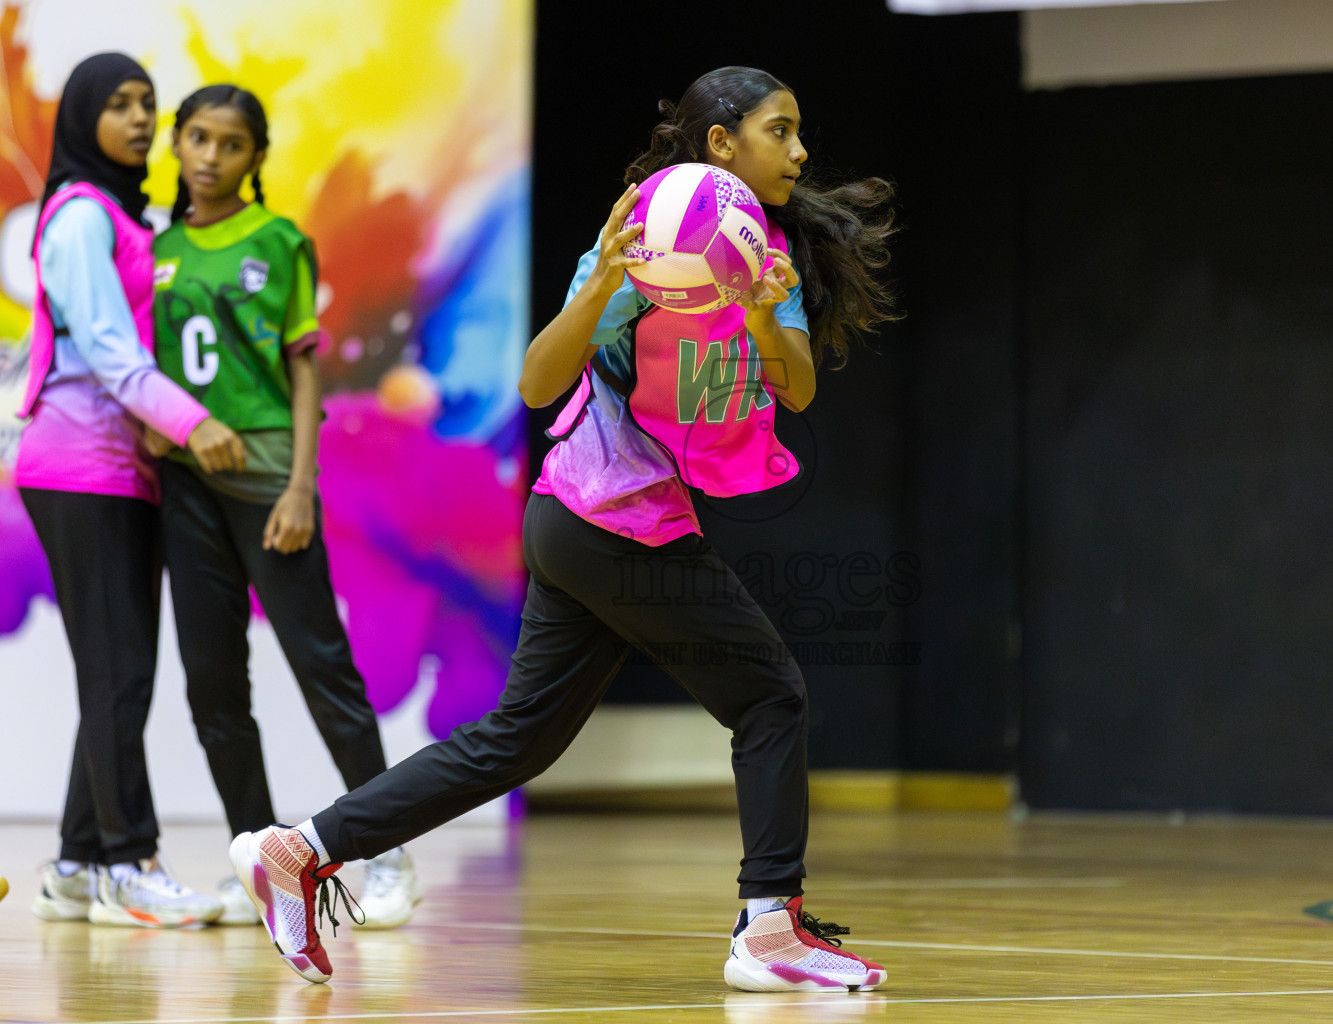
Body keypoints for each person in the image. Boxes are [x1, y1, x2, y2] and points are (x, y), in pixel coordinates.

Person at [230, 65, 898, 990]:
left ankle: (299, 851)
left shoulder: (759, 246)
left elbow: (796, 388)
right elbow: (539, 384)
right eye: (780, 131)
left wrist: (762, 309)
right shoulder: (639, 239)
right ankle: (768, 928)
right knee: (770, 695)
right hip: (608, 519)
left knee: (517, 740)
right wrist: (600, 288)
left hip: (580, 520)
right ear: (721, 143)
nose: (800, 150)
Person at [146, 85, 422, 928]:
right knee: (211, 682)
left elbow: (306, 373)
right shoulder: (154, 250)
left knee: (322, 668)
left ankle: (386, 853)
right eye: (197, 137)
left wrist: (301, 485)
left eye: (231, 144)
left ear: (255, 157)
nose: (209, 157)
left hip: (269, 482)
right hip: (184, 487)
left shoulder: (279, 241)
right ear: (178, 141)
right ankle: (257, 854)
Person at [17, 52, 242, 928]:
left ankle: (77, 863)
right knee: (119, 675)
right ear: (82, 118)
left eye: (149, 103)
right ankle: (128, 865)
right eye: (119, 104)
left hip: (124, 470)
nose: (142, 118)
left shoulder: (124, 214)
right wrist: (195, 423)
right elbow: (109, 352)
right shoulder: (77, 217)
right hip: (80, 467)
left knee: (119, 673)